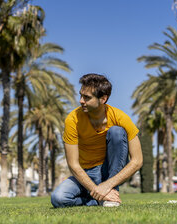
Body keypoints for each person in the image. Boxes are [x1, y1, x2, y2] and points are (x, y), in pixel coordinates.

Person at [51, 73, 143, 208]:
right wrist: (96, 190)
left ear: (103, 99)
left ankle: (111, 192)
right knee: (58, 198)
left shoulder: (121, 118)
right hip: (85, 173)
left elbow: (137, 161)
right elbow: (73, 164)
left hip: (110, 170)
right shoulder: (72, 119)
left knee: (117, 132)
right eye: (81, 95)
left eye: (87, 98)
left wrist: (108, 184)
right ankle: (99, 198)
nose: (81, 100)